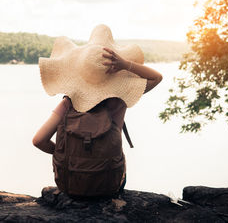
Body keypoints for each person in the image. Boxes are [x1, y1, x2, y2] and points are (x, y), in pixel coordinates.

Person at [33, 24, 162, 196]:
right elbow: (156, 77)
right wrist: (125, 65)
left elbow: (38, 140)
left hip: (70, 185)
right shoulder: (118, 101)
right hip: (109, 186)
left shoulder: (67, 104)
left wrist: (66, 155)